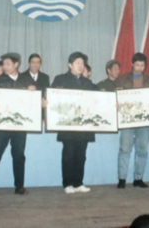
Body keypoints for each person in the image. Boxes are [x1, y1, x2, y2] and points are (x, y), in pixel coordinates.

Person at [0, 53, 35, 195]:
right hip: (1, 125)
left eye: (7, 64)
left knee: (19, 155)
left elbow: (33, 102)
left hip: (20, 124)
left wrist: (34, 93)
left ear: (16, 64)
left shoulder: (26, 80)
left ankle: (19, 186)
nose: (4, 67)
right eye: (3, 64)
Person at [51, 52, 98, 194]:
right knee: (68, 154)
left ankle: (79, 182)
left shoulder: (88, 83)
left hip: (84, 126)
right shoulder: (60, 79)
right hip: (68, 125)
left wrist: (111, 103)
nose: (80, 66)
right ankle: (67, 183)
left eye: (82, 63)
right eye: (77, 63)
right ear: (70, 65)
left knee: (81, 155)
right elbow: (52, 97)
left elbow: (100, 99)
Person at [115, 52, 149, 189]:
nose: (139, 67)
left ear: (145, 66)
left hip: (145, 121)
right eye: (137, 65)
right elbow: (116, 97)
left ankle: (138, 179)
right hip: (127, 120)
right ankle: (122, 179)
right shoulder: (122, 80)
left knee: (142, 150)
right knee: (125, 149)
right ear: (132, 64)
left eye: (142, 65)